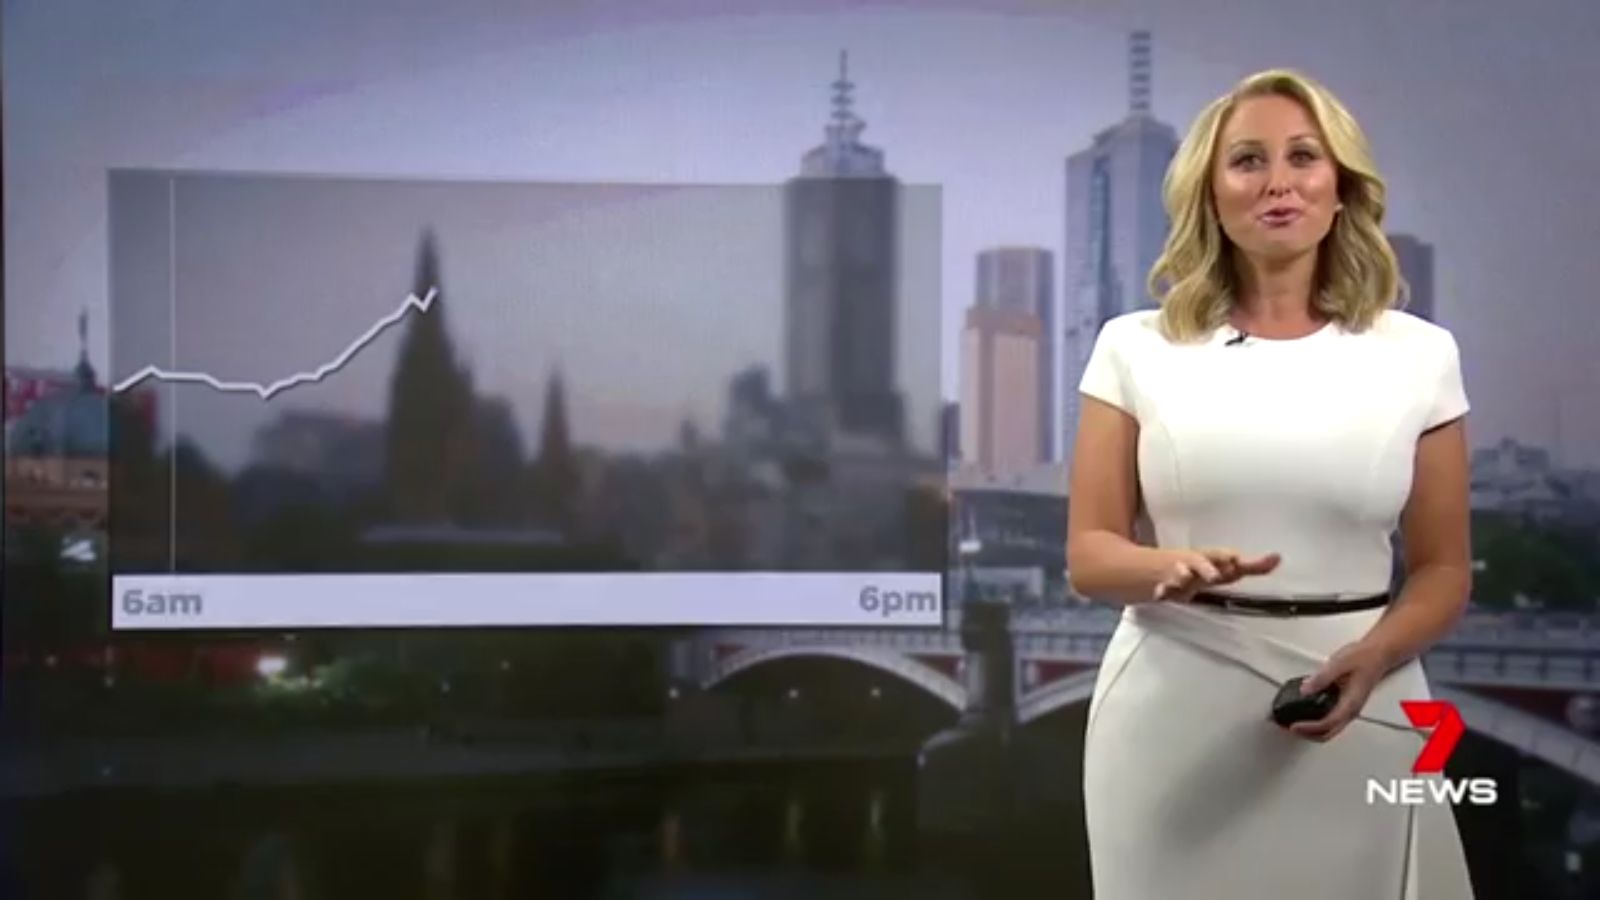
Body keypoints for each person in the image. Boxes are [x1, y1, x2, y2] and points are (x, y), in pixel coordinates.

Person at [1067, 68, 1476, 899]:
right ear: (1210, 195)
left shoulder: (1421, 355)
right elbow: (1089, 556)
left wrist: (1375, 656)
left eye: (1303, 157)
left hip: (1367, 699)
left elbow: (1443, 569)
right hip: (1173, 708)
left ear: (1341, 188)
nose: (1278, 181)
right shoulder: (1132, 347)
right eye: (1248, 160)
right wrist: (1168, 568)